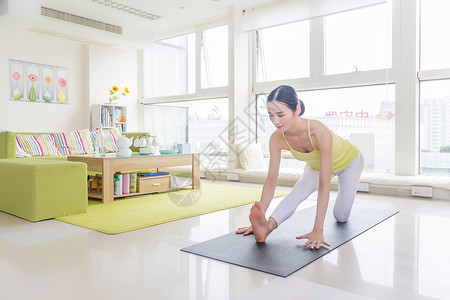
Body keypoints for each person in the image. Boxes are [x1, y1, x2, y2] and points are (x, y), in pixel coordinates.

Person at [236, 85, 364, 249]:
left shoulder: (318, 131)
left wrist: (318, 229)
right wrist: (261, 214)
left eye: (281, 114)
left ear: (297, 109)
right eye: (271, 115)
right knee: (298, 191)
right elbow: (271, 180)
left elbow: (324, 185)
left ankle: (346, 195)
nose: (275, 121)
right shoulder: (277, 138)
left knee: (340, 216)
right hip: (316, 166)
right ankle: (266, 227)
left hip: (349, 162)